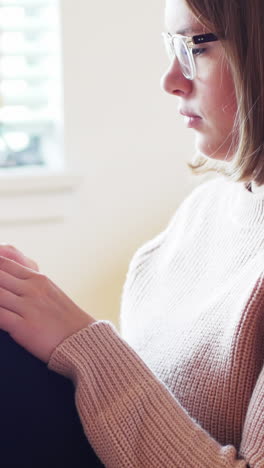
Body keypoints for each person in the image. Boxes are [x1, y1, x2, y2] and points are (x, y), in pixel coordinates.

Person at [0, 0, 263, 466]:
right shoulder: (196, 218)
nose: (170, 80)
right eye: (171, 46)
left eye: (195, 46)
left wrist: (81, 341)